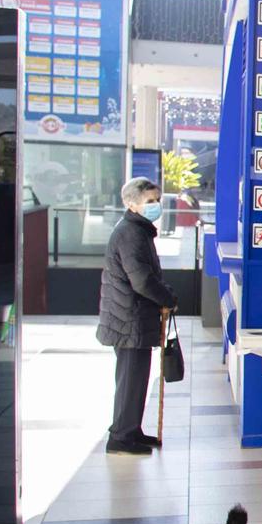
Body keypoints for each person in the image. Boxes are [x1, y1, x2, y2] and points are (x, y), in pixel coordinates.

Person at [96, 177, 179, 456]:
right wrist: (168, 298)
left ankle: (130, 429)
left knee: (136, 378)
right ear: (132, 204)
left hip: (131, 316)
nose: (156, 206)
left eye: (158, 200)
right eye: (150, 201)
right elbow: (142, 280)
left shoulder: (138, 230)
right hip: (128, 318)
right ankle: (121, 437)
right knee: (131, 378)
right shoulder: (131, 233)